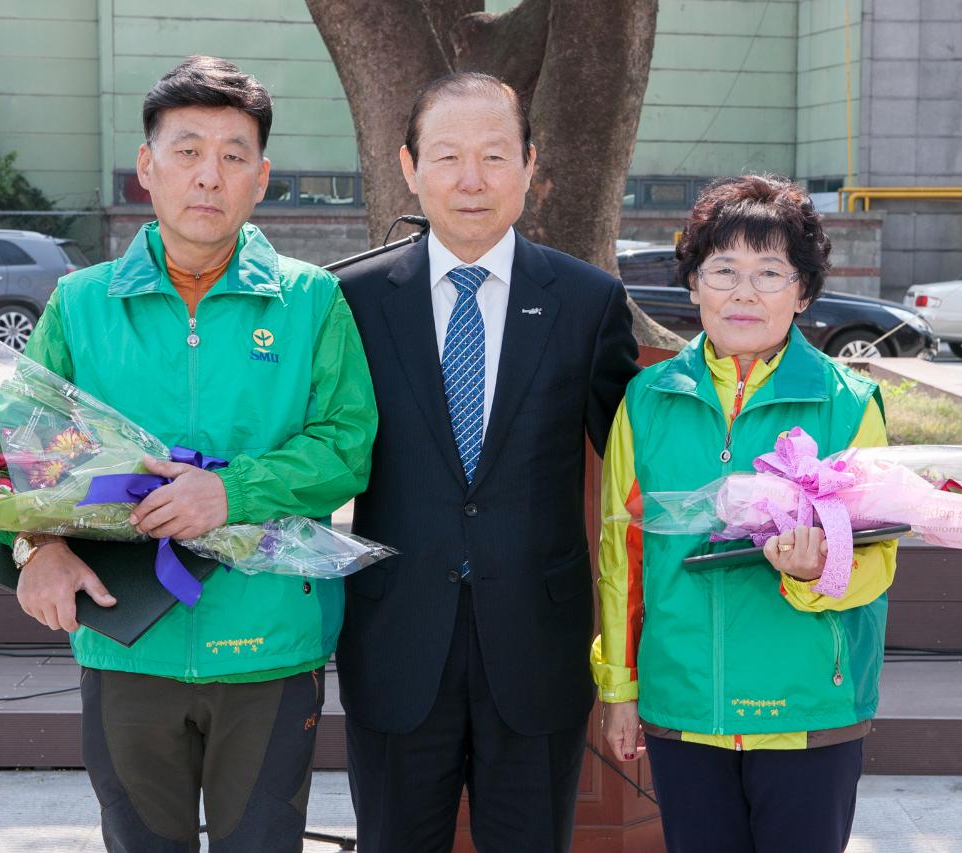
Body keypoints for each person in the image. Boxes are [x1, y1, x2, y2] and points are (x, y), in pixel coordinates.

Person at [0, 56, 376, 853]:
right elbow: (3, 446)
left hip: (267, 641)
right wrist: (35, 547)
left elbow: (346, 445)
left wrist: (231, 494)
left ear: (261, 178)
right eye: (187, 150)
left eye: (233, 156)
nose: (209, 176)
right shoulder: (82, 303)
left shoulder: (309, 301)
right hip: (126, 637)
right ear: (146, 169)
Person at [333, 72, 639, 852]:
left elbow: (647, 455)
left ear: (532, 166)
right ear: (408, 167)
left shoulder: (586, 300)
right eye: (447, 156)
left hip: (538, 648)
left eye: (496, 156)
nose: (472, 180)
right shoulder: (352, 300)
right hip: (397, 639)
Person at [593, 174, 898, 853]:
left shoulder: (848, 402)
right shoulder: (647, 399)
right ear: (694, 285)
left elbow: (879, 557)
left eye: (769, 272)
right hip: (684, 699)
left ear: (804, 291)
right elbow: (624, 553)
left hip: (809, 704)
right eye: (723, 270)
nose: (744, 292)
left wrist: (818, 568)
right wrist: (619, 684)